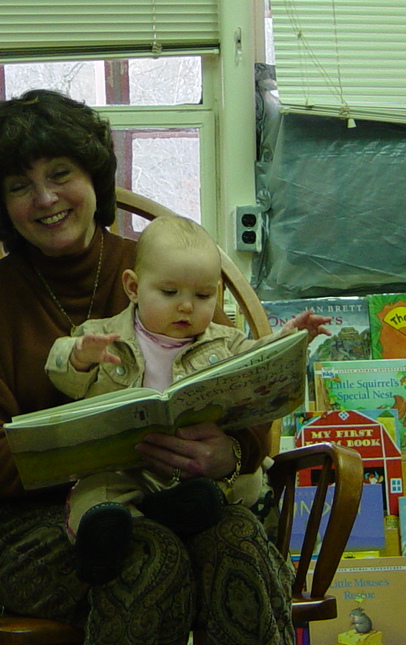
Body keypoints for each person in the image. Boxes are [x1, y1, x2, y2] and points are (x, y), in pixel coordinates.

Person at [0, 88, 304, 645]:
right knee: (148, 556)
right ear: (0, 204)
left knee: (238, 542)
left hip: (182, 494)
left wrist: (229, 453)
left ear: (94, 177)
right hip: (29, 523)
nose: (46, 198)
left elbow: (240, 399)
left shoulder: (169, 271)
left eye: (61, 174)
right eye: (20, 186)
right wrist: (101, 454)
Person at [46, 214, 326, 584]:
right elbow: (64, 380)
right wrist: (79, 356)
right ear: (133, 287)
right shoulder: (102, 337)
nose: (186, 307)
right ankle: (103, 543)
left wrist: (287, 339)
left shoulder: (224, 342)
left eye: (203, 296)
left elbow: (259, 364)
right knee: (95, 497)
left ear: (217, 294)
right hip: (124, 469)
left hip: (196, 471)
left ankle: (181, 511)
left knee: (243, 483)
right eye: (169, 292)